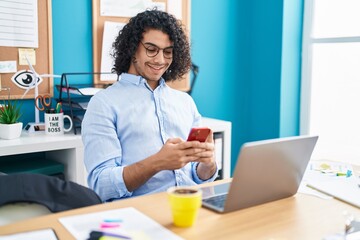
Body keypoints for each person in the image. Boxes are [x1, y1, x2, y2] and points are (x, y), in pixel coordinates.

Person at [82, 9, 217, 202]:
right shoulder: (104, 104)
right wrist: (158, 162)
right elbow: (101, 186)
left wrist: (207, 164)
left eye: (168, 52)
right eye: (151, 49)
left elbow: (199, 176)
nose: (160, 60)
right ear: (132, 48)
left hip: (191, 206)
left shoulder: (185, 102)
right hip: (141, 215)